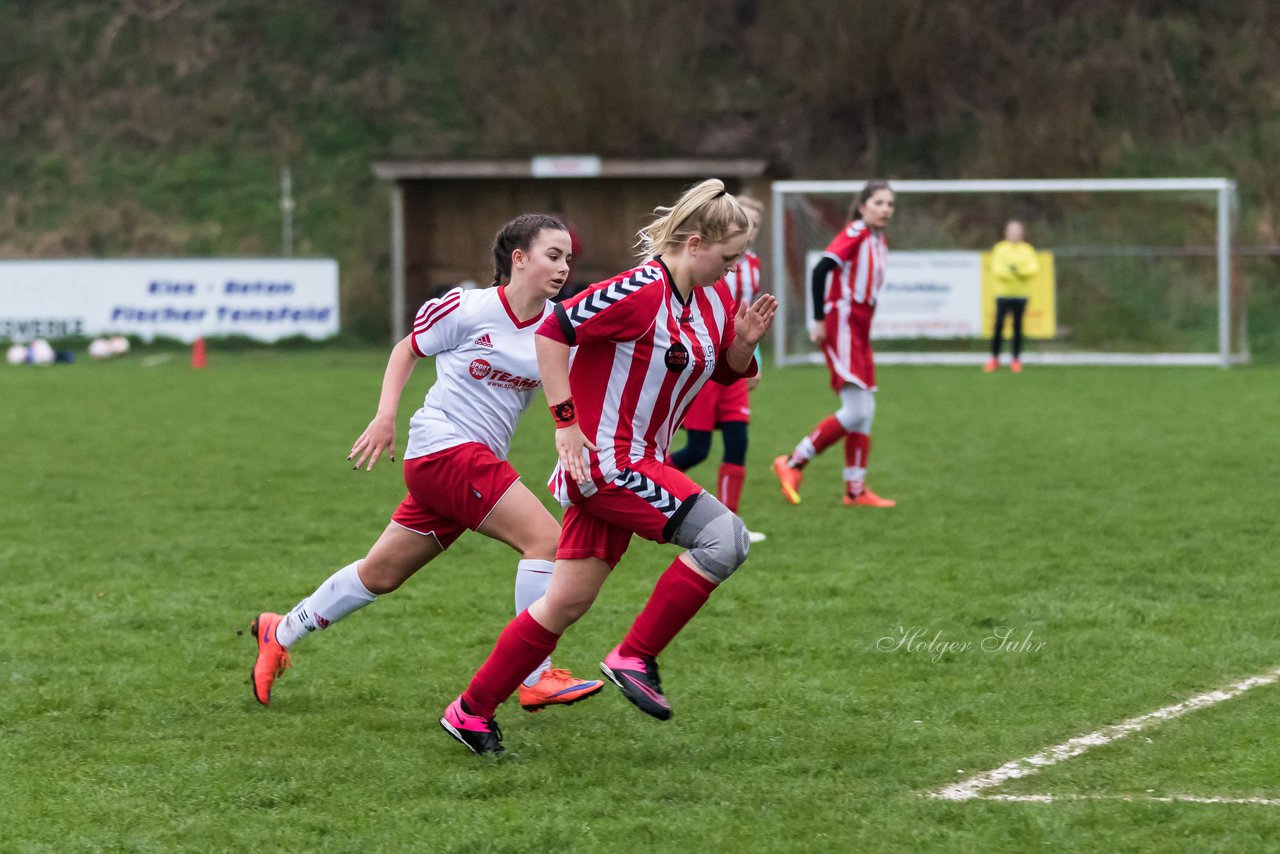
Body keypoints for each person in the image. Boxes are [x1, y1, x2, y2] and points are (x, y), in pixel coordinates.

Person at [438, 179, 778, 754]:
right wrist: (565, 422)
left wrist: (742, 346)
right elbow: (554, 331)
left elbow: (720, 372)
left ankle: (469, 711)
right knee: (726, 539)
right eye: (729, 257)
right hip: (608, 464)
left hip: (639, 462)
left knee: (563, 604)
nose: (735, 268)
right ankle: (634, 654)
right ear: (694, 243)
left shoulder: (714, 300)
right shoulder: (639, 290)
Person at [248, 214, 602, 713]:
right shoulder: (468, 308)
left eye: (568, 258)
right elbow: (406, 350)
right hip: (443, 449)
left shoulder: (556, 329)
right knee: (546, 540)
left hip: (469, 466)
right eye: (553, 255)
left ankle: (278, 631)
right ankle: (536, 676)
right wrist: (385, 416)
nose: (564, 267)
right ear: (518, 259)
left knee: (381, 573)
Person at [772, 180, 896, 508]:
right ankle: (794, 462)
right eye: (879, 202)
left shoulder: (878, 239)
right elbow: (821, 269)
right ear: (863, 206)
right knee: (857, 409)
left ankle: (855, 490)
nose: (886, 209)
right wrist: (817, 320)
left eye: (890, 204)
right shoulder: (856, 232)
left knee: (865, 408)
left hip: (858, 327)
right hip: (842, 324)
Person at [668, 195, 766, 542]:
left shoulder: (750, 265)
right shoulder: (703, 267)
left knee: (738, 441)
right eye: (745, 221)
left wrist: (753, 359)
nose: (750, 229)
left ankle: (731, 523)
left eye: (755, 224)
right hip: (707, 363)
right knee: (698, 449)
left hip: (733, 359)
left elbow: (747, 320)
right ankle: (654, 486)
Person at [984, 220, 1039, 373]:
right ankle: (994, 359)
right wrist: (1015, 272)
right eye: (1012, 231)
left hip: (1021, 295)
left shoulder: (1027, 250)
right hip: (1003, 294)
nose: (1014, 235)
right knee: (999, 326)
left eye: (1017, 232)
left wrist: (1016, 271)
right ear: (1006, 233)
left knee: (1017, 327)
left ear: (1022, 234)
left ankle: (1015, 360)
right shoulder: (1000, 249)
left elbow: (1032, 269)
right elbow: (998, 270)